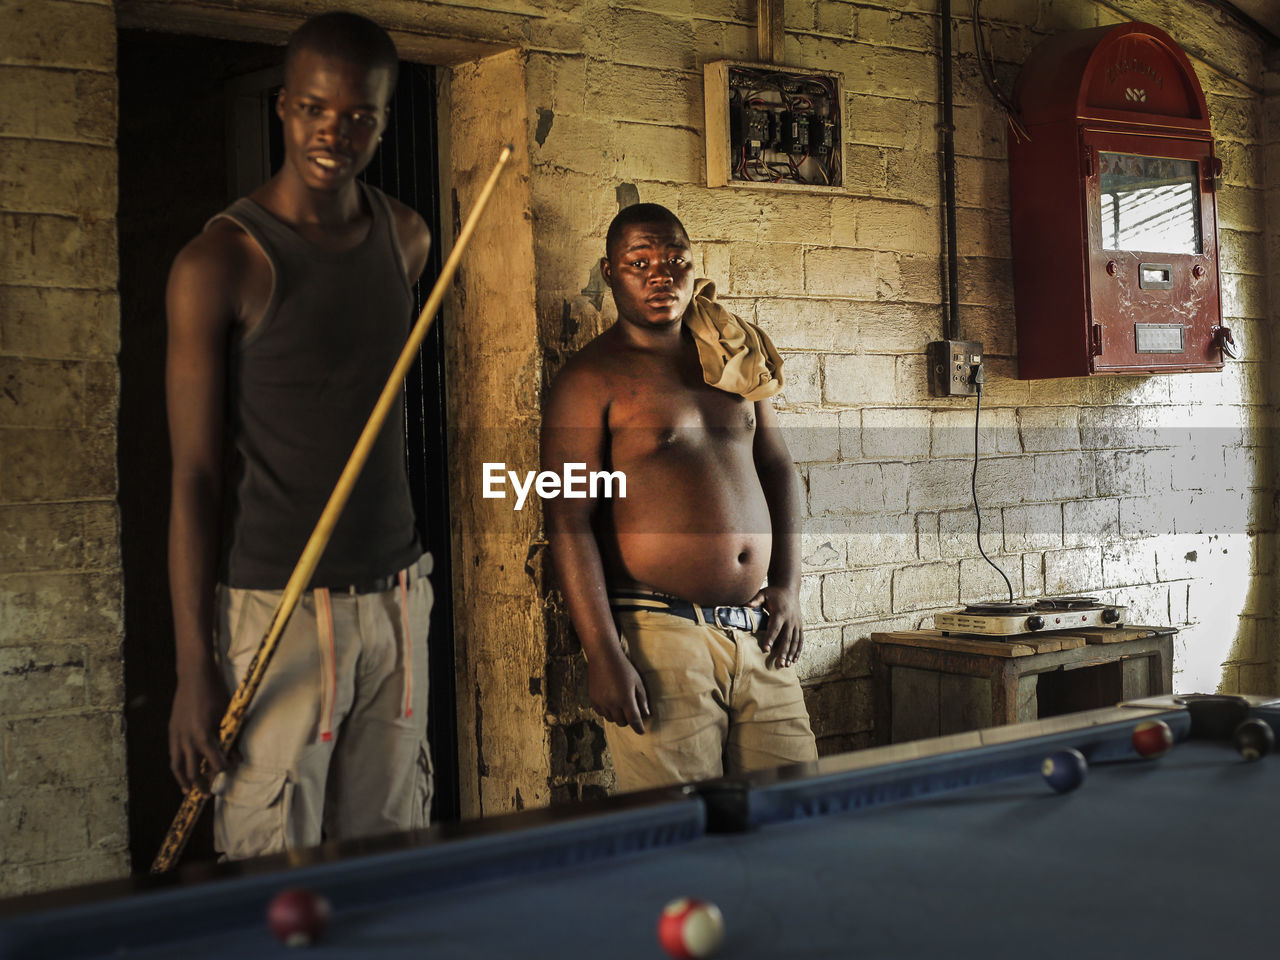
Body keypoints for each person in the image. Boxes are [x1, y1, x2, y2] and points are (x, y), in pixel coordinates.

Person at [165, 11, 435, 860]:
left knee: (389, 855)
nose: (335, 132)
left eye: (360, 115)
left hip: (397, 598)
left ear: (384, 120)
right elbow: (196, 478)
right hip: (274, 610)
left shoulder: (408, 237)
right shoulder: (221, 263)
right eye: (316, 108)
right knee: (273, 868)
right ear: (283, 107)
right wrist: (193, 665)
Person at [541, 203, 817, 791]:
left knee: (796, 819)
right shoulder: (590, 380)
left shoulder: (731, 355)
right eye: (638, 263)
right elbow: (567, 517)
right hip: (660, 639)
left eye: (674, 261)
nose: (660, 276)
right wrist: (603, 653)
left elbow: (777, 467)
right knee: (682, 835)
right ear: (609, 272)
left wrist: (789, 587)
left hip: (760, 633)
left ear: (694, 267)